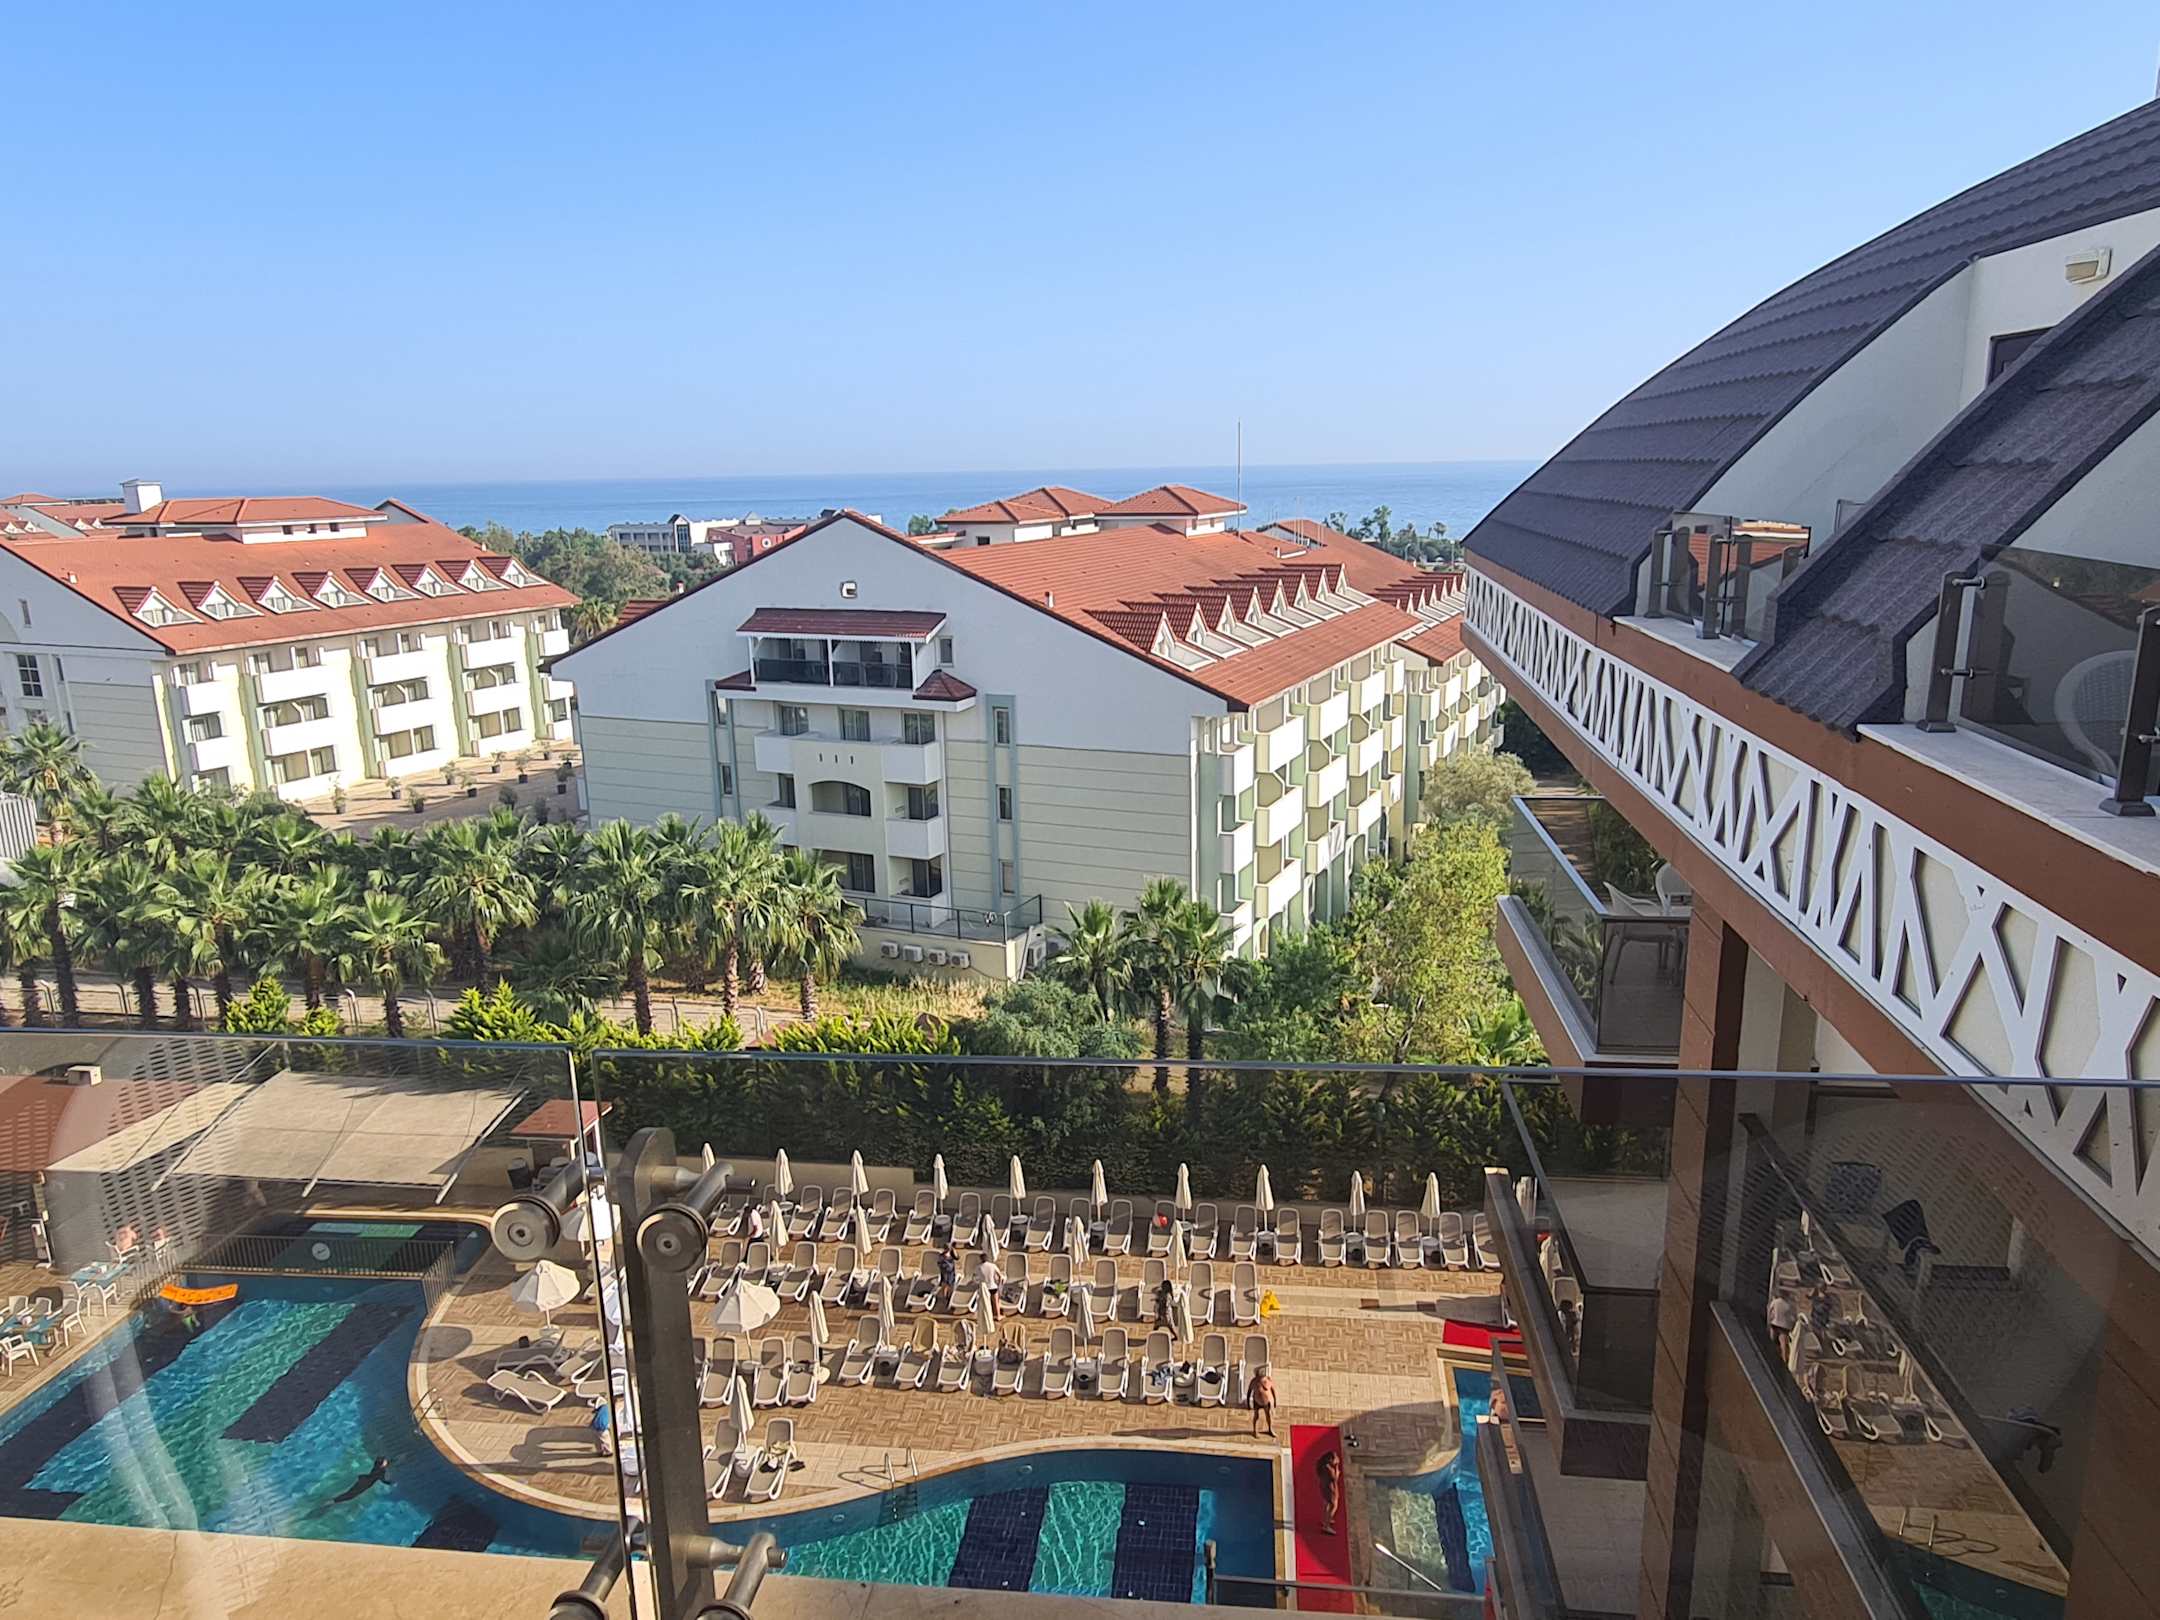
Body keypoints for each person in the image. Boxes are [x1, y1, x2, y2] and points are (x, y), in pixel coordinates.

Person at [1316, 1447, 1343, 1534]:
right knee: (1333, 1505)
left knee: (1327, 1503)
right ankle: (1326, 1525)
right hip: (1330, 1488)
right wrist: (1337, 1467)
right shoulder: (1329, 1469)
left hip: (1325, 1486)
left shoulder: (1323, 1465)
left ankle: (1326, 1519)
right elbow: (1335, 1478)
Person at [1767, 1293, 1799, 1363]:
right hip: (1784, 1327)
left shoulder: (1775, 1302)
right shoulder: (1790, 1305)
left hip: (1774, 1324)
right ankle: (1784, 1361)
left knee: (1772, 1342)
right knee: (1783, 1347)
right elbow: (1794, 1318)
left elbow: (1769, 1312)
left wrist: (1769, 1322)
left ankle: (1771, 1358)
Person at [1249, 1369, 1277, 1438]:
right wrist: (1248, 1403)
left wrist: (1275, 1401)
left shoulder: (1268, 1380)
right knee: (1256, 1416)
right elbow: (1249, 1393)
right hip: (1257, 1402)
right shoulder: (1253, 1382)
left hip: (1266, 1402)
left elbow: (1273, 1391)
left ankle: (1270, 1429)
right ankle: (1255, 1431)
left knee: (1269, 1416)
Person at [977, 1255, 1004, 1321]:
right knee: (996, 1302)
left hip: (984, 1287)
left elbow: (976, 1277)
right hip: (993, 1286)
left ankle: (987, 1316)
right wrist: (999, 1284)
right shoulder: (992, 1266)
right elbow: (1000, 1276)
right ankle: (998, 1316)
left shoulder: (979, 1267)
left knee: (985, 1303)